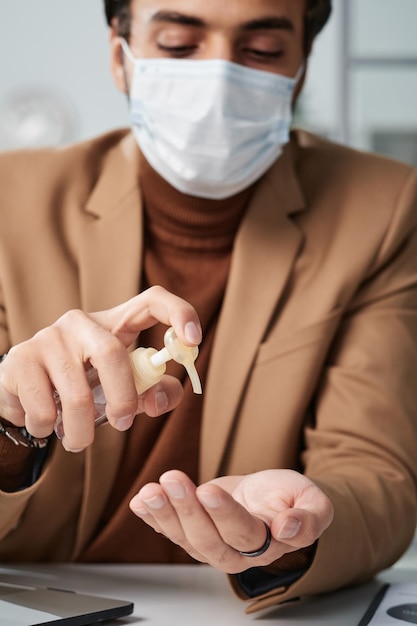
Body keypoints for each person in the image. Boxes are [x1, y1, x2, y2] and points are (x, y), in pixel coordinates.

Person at [1, 0, 417, 615]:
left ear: (300, 69)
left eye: (264, 52)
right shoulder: (11, 200)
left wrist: (291, 529)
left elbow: (376, 477)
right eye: (176, 45)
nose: (219, 79)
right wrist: (9, 419)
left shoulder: (383, 209)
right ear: (121, 57)